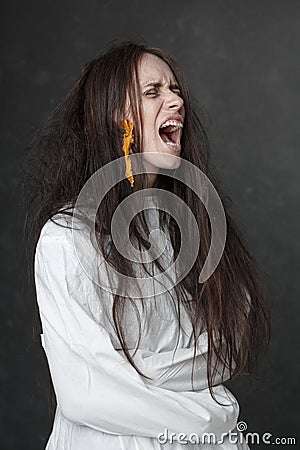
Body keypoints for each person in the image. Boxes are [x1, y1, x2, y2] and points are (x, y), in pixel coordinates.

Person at [22, 40, 270, 449]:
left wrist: (136, 371)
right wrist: (209, 414)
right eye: (153, 92)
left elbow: (229, 343)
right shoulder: (68, 238)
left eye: (175, 91)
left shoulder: (193, 227)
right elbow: (86, 393)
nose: (175, 101)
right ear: (112, 119)